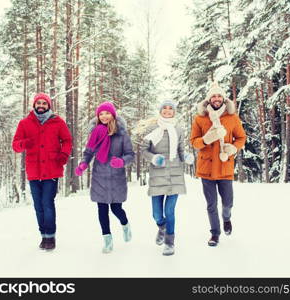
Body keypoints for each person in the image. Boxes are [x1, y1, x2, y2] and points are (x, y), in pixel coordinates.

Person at [12, 92, 72, 251]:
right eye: (38, 103)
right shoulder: (25, 123)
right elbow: (15, 145)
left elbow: (67, 140)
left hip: (52, 169)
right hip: (34, 170)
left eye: (44, 103)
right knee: (38, 205)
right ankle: (43, 235)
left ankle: (50, 237)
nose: (41, 106)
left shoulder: (57, 122)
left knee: (47, 203)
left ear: (48, 106)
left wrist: (64, 154)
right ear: (34, 105)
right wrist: (26, 142)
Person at [190, 82, 246, 247]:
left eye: (219, 95)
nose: (216, 98)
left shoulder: (232, 118)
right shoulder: (200, 118)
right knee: (211, 204)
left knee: (227, 202)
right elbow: (194, 142)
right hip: (206, 168)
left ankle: (226, 218)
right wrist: (206, 139)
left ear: (224, 98)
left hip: (224, 165)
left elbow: (241, 138)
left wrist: (233, 148)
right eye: (213, 96)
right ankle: (215, 233)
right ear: (209, 99)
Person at [74, 101, 135, 254]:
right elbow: (88, 152)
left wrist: (121, 161)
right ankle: (107, 240)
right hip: (99, 177)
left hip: (116, 178)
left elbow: (130, 154)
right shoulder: (95, 132)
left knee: (116, 209)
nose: (104, 116)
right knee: (102, 210)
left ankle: (125, 224)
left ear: (113, 114)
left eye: (107, 113)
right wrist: (83, 165)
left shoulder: (121, 134)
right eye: (101, 114)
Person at [138, 100, 194, 256]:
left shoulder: (178, 129)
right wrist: (154, 158)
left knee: (170, 211)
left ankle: (170, 242)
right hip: (157, 174)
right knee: (156, 214)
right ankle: (161, 226)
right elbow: (144, 150)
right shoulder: (152, 129)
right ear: (160, 110)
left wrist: (187, 157)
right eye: (165, 108)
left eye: (171, 109)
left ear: (174, 112)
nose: (168, 111)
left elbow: (181, 150)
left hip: (175, 175)